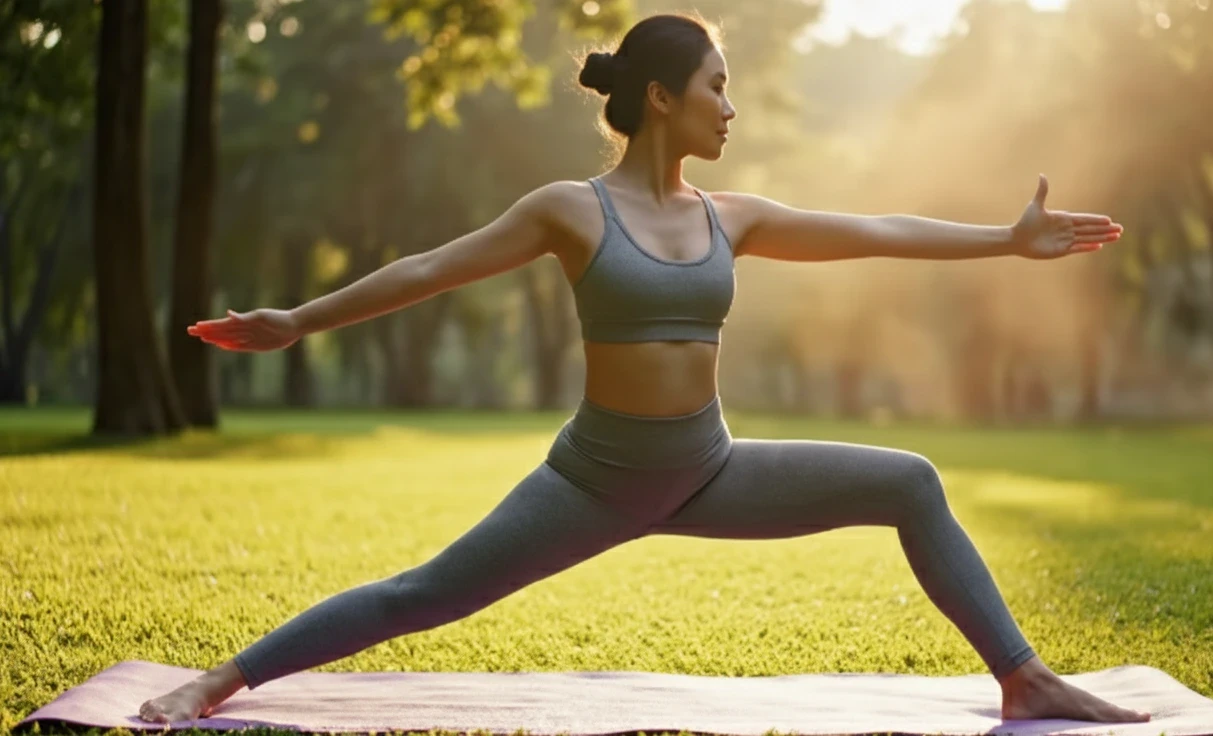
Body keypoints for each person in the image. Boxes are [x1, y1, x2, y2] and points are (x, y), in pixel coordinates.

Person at [139, 12, 1146, 726]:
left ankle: (1023, 676)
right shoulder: (569, 209)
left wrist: (1004, 241)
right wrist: (297, 320)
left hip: (708, 467)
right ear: (660, 98)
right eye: (716, 87)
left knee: (910, 483)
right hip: (594, 481)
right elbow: (430, 268)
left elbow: (872, 228)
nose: (730, 109)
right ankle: (213, 682)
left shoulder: (729, 216)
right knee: (421, 595)